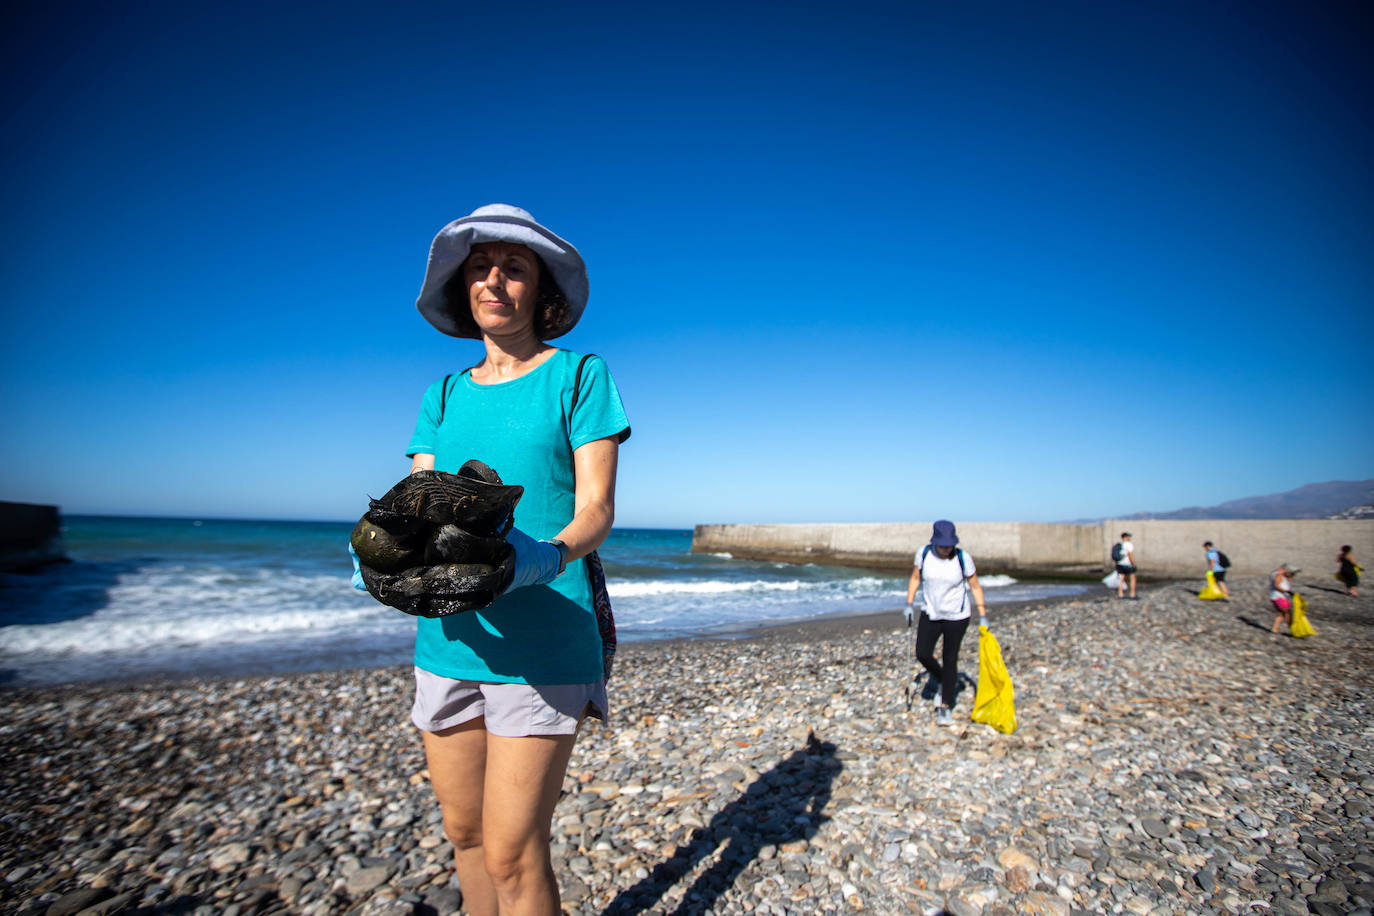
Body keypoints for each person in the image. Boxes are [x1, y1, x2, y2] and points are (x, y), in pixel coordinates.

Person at [402, 204, 630, 915]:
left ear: (541, 289)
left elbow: (596, 509)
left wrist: (544, 555)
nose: (494, 281)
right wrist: (385, 556)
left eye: (513, 268)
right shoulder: (441, 394)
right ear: (461, 287)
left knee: (511, 850)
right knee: (464, 833)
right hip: (448, 638)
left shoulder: (578, 378)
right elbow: (419, 500)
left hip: (545, 637)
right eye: (479, 267)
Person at [905, 520, 988, 727]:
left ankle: (945, 704)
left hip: (957, 616)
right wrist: (908, 603)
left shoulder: (962, 558)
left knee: (950, 659)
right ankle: (944, 678)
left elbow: (975, 586)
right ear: (934, 542)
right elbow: (916, 578)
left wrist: (983, 614)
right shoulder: (924, 554)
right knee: (922, 653)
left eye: (949, 545)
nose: (946, 549)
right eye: (942, 545)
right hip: (931, 612)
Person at [1269, 563, 1298, 634]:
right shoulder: (1278, 575)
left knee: (1281, 613)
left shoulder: (1275, 573)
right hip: (1279, 597)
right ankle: (1292, 629)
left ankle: (1274, 629)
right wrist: (1288, 591)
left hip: (1275, 596)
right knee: (1287, 613)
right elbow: (1277, 585)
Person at [1112, 532, 1137, 599]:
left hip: (1119, 564)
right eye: (1129, 536)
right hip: (1127, 564)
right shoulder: (1129, 544)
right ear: (1126, 537)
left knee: (1121, 578)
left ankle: (1120, 594)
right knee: (1132, 578)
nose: (1129, 538)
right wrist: (1133, 563)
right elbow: (1130, 554)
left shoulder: (1119, 544)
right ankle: (1132, 594)